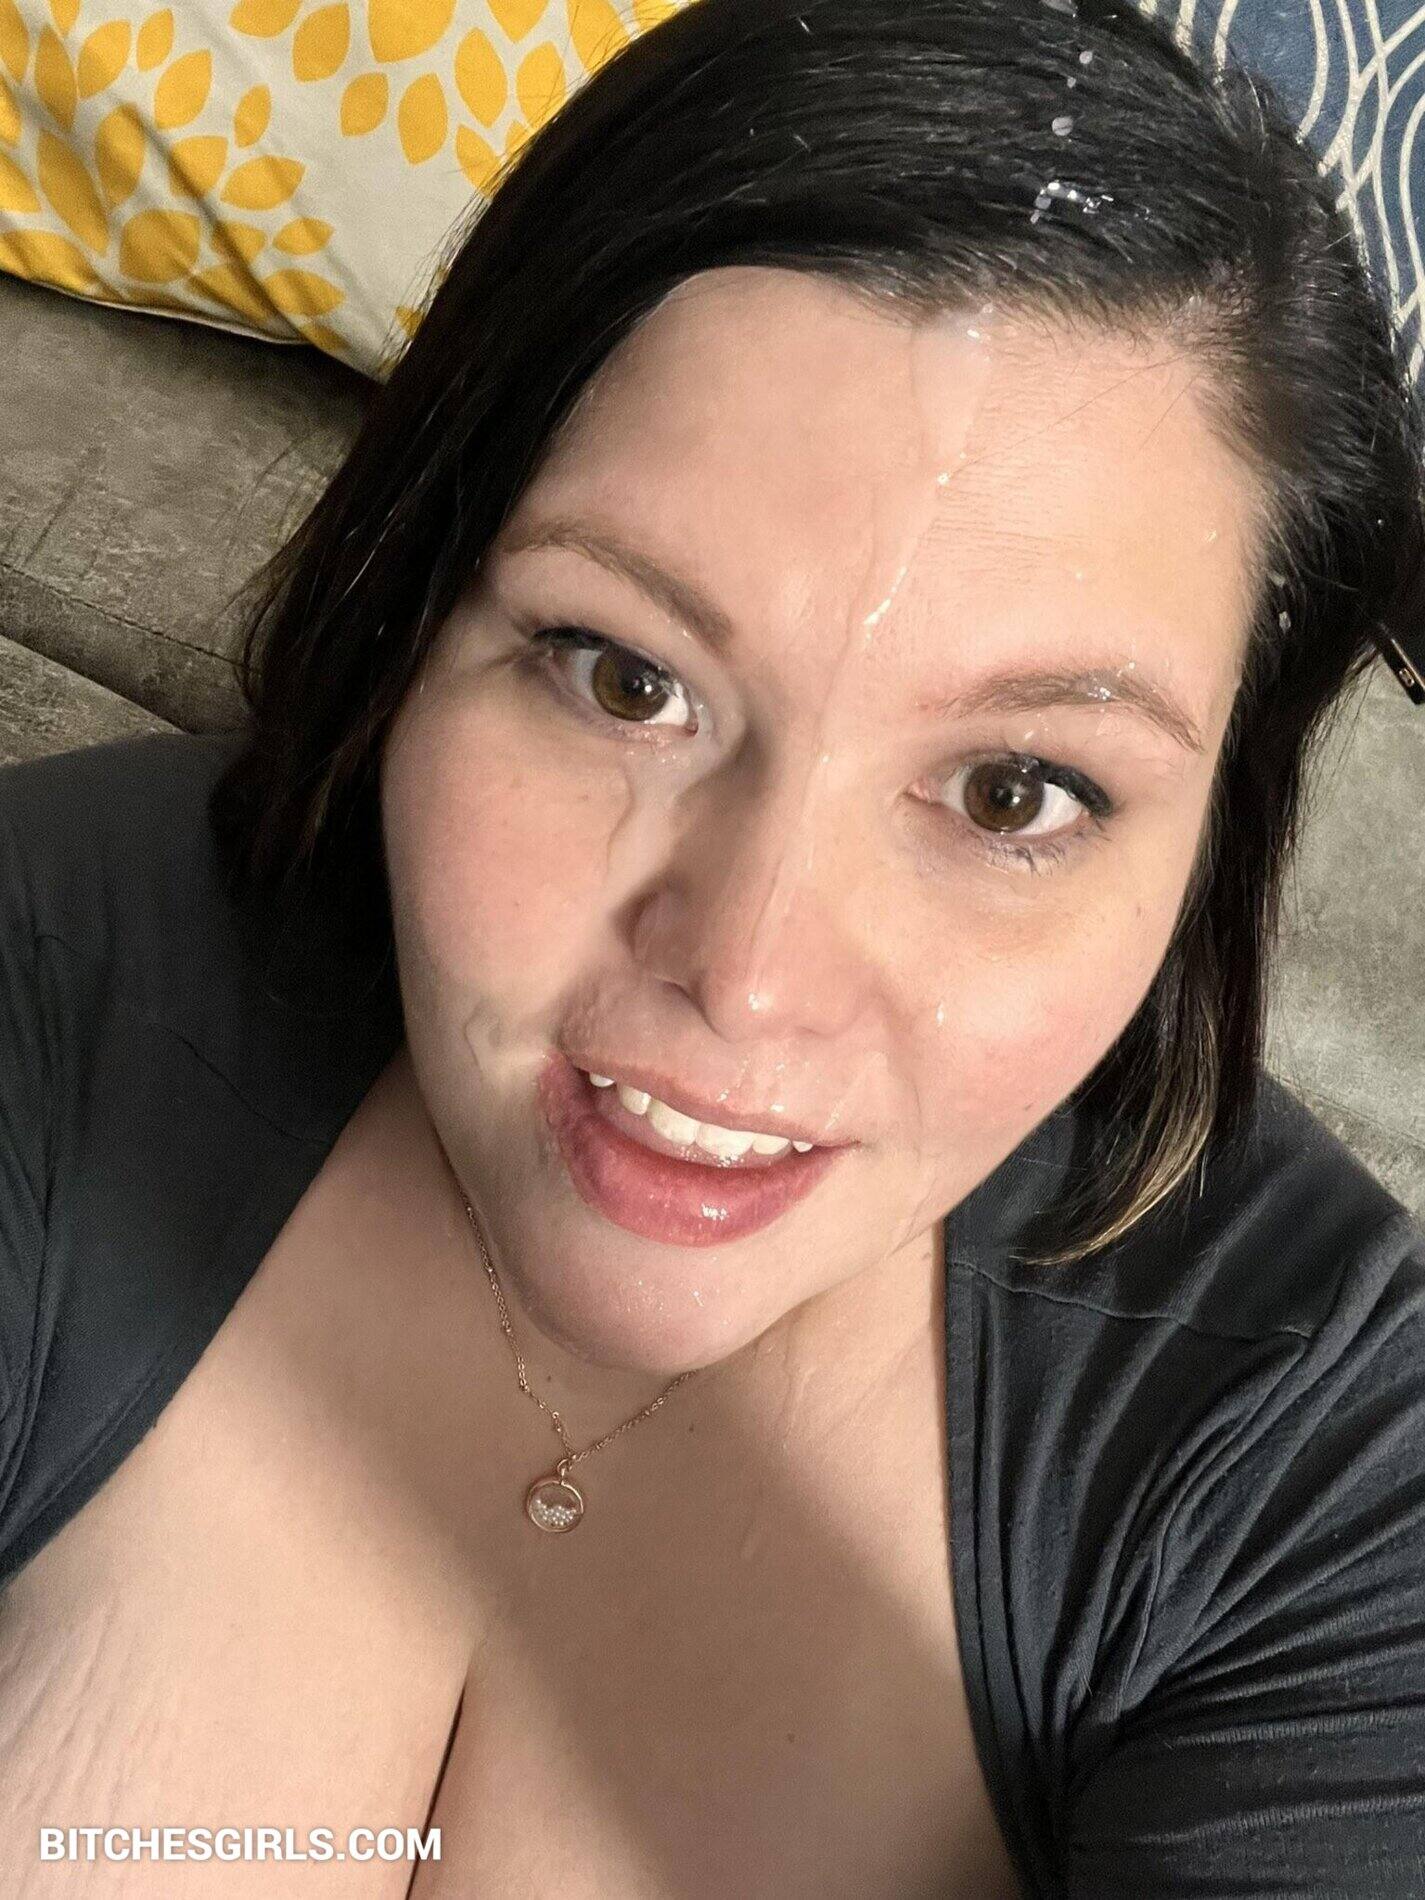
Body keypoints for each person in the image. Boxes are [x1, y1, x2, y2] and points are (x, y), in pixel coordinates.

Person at [2, 0, 1424, 1891]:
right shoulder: (46, 979)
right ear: (414, 600)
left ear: (1214, 843)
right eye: (623, 677)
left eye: (1012, 791)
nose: (746, 978)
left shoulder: (1337, 1479)